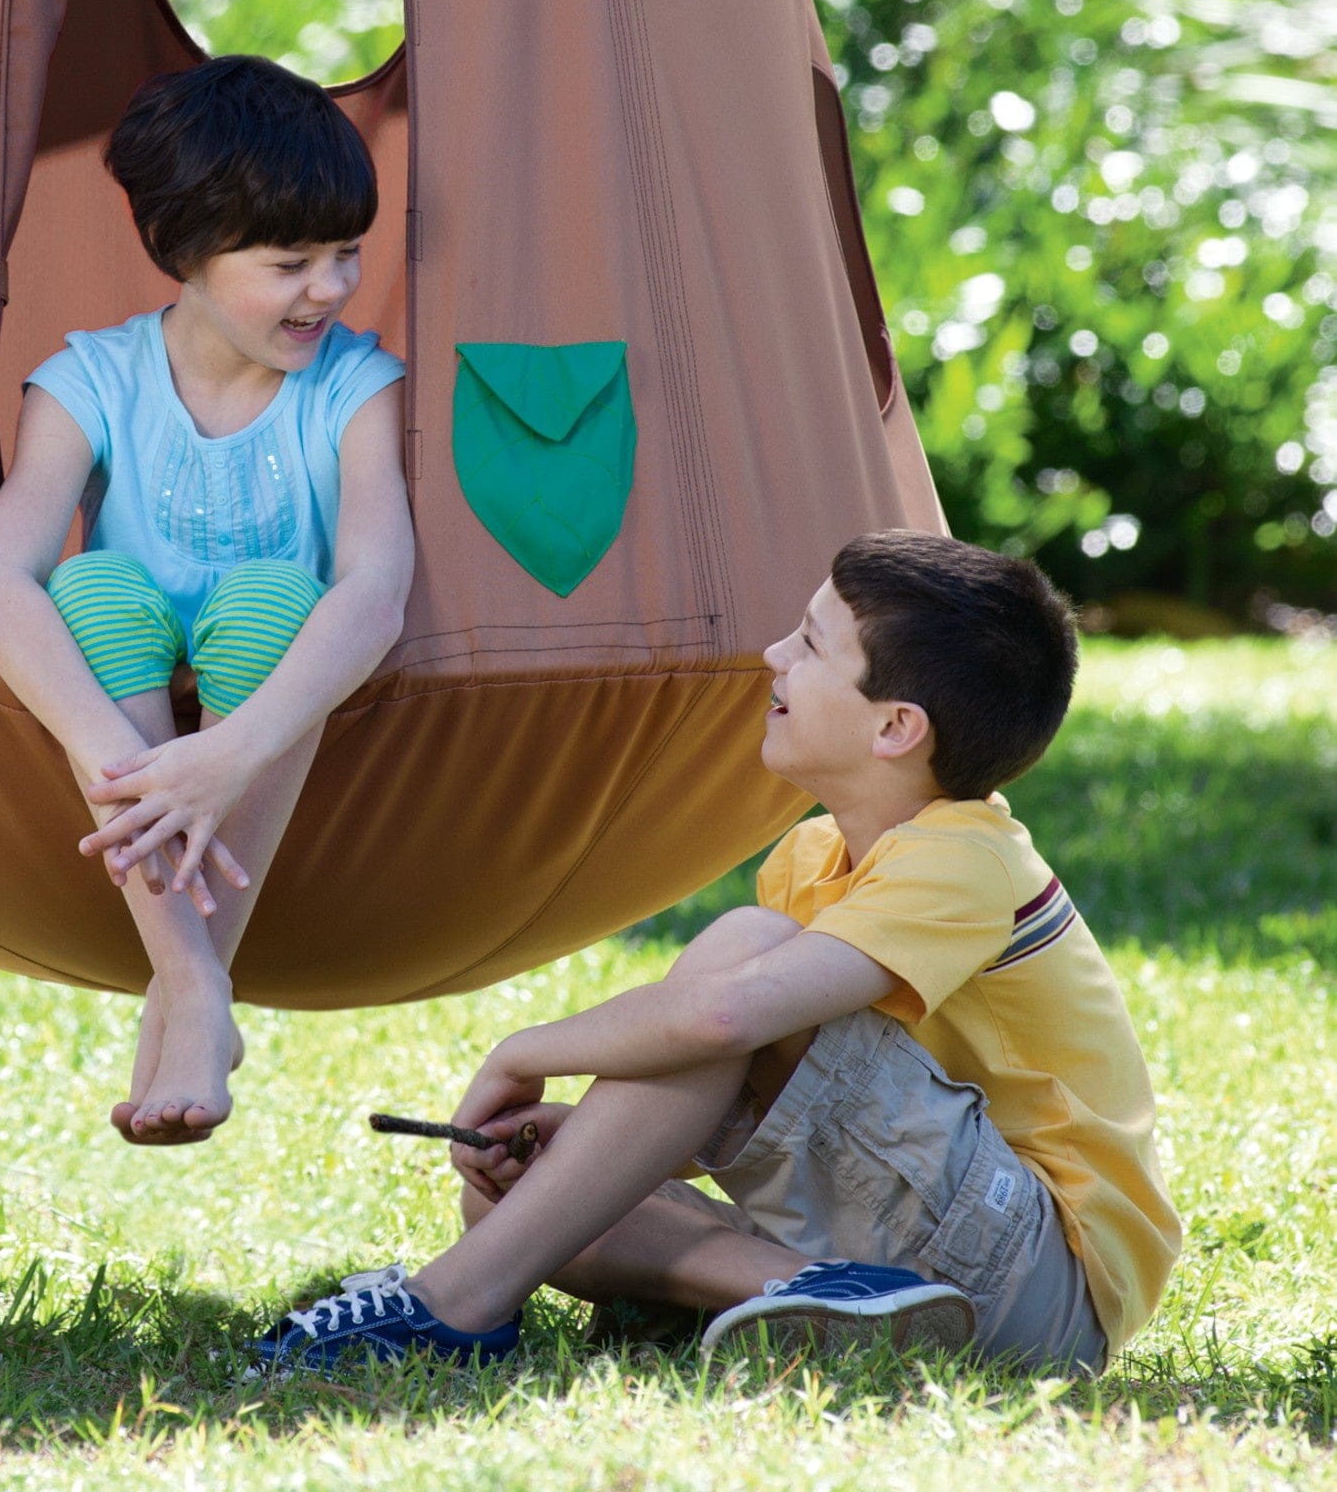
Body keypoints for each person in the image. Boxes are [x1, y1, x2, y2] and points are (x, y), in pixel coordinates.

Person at [256, 531, 1181, 1372]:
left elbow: (726, 1018)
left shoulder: (967, 856)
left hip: (1042, 1280)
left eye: (811, 645)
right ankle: (819, 1295)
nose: (775, 656)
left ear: (895, 727)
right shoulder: (815, 856)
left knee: (748, 951)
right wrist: (592, 1148)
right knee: (523, 1209)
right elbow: (768, 1086)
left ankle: (450, 1307)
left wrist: (522, 1052)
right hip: (938, 1253)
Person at [0, 55, 414, 1146]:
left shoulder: (355, 387)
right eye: (290, 262)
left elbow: (374, 589)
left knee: (274, 595)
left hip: (267, 697)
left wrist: (233, 751)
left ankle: (180, 1001)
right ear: (187, 253)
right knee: (91, 585)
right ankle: (196, 986)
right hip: (131, 708)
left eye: (346, 255)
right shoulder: (89, 380)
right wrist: (130, 763)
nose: (331, 288)